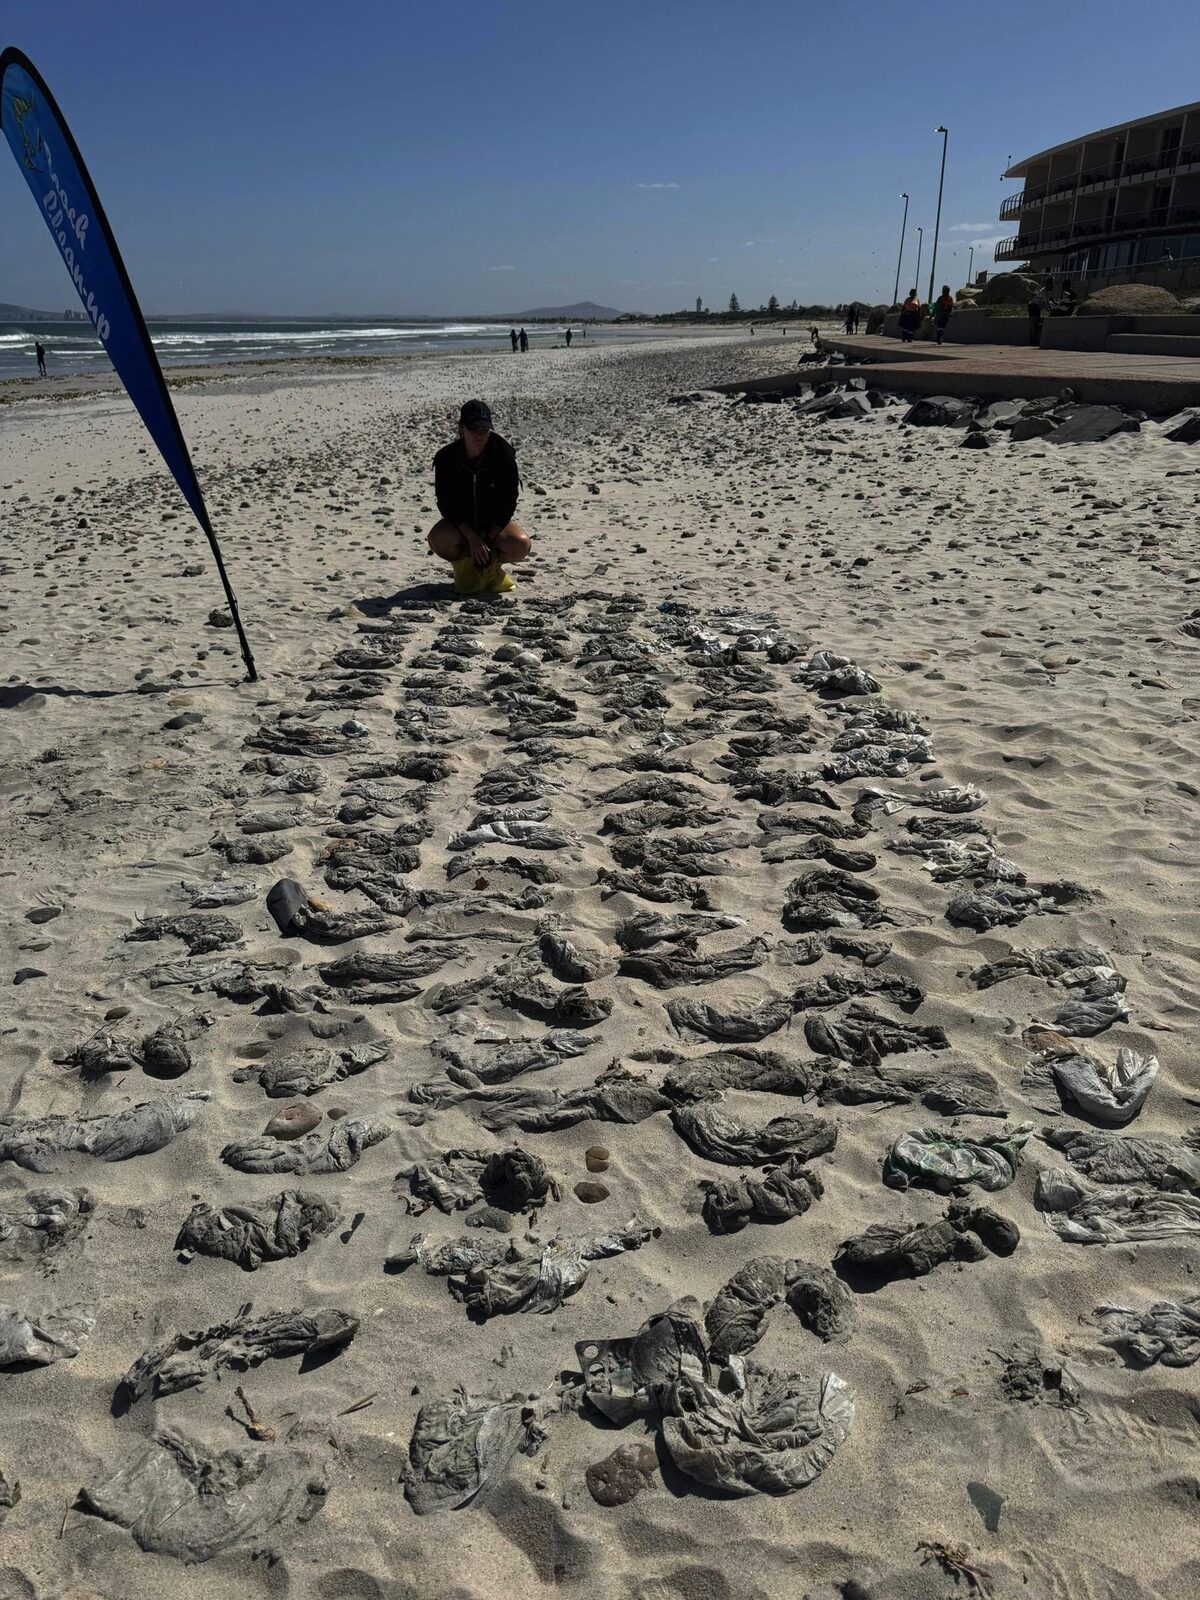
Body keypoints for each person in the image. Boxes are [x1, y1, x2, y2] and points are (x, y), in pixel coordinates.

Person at [427, 399, 530, 595]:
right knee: (438, 539)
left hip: (494, 525)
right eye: (474, 429)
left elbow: (508, 503)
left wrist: (489, 538)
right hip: (461, 526)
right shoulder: (446, 458)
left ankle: (491, 568)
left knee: (520, 543)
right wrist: (472, 538)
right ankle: (465, 565)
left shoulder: (503, 455)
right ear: (461, 429)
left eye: (485, 429)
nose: (480, 435)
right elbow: (446, 504)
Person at [1027, 279, 1052, 345]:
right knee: (1034, 324)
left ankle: (1033, 340)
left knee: (1035, 324)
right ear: (1047, 285)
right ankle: (1033, 341)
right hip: (1034, 307)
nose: (1051, 287)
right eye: (1050, 285)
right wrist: (1050, 309)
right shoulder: (1044, 291)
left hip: (1036, 307)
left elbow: (1048, 301)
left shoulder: (1047, 292)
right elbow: (1046, 302)